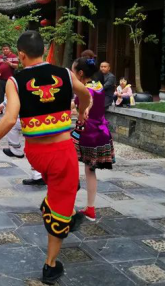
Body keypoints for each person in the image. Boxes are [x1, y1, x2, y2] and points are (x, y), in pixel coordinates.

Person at [0, 31, 91, 285]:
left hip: (35, 154)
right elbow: (85, 93)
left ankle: (62, 205)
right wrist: (82, 110)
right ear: (43, 51)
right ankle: (51, 265)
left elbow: (10, 119)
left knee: (64, 186)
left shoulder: (15, 81)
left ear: (21, 55)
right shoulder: (65, 74)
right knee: (61, 201)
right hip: (61, 152)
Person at [72, 58, 115, 223]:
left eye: (73, 71)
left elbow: (81, 108)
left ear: (80, 73)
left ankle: (66, 205)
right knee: (90, 170)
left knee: (69, 163)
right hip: (101, 132)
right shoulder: (98, 86)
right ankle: (90, 208)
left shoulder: (84, 90)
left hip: (87, 133)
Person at [0, 100, 45, 186]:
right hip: (46, 117)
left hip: (33, 117)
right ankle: (38, 175)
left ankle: (16, 149)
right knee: (35, 147)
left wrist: (3, 104)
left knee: (11, 124)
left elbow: (16, 95)